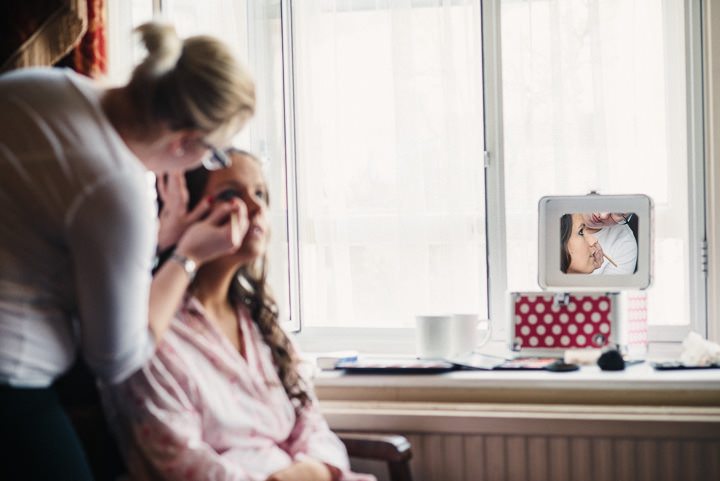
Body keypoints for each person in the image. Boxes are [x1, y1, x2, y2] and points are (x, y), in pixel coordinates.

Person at [0, 23, 254, 480]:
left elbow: (40, 227)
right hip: (10, 382)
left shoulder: (42, 85)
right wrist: (186, 258)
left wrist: (151, 241)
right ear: (184, 141)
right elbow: (114, 357)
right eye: (213, 155)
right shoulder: (117, 187)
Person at [101, 150, 375, 481]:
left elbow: (311, 424)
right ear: (188, 211)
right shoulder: (153, 331)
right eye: (232, 194)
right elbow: (177, 459)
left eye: (260, 193)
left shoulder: (261, 325)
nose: (257, 208)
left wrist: (316, 469)